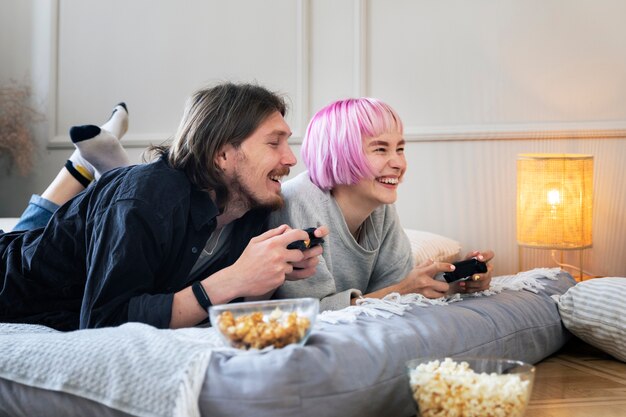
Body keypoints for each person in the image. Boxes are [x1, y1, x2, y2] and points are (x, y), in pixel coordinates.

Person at [0, 83, 326, 331]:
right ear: (222, 154)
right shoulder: (145, 201)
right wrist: (234, 279)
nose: (291, 158)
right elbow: (103, 323)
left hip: (67, 235)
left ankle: (90, 169)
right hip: (10, 280)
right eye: (274, 142)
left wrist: (271, 275)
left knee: (48, 230)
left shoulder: (252, 208)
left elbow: (219, 313)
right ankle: (85, 168)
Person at [269, 98, 494, 310]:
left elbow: (397, 284)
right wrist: (402, 289)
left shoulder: (379, 205)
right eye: (380, 149)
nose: (398, 163)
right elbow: (308, 312)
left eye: (400, 149)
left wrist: (458, 279)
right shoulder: (297, 202)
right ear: (342, 153)